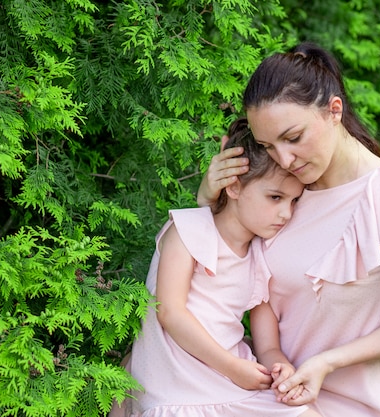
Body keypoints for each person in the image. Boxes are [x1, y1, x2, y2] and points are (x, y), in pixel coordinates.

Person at [197, 42, 380, 417]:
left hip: (340, 404)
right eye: (268, 145)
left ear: (334, 111)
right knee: (139, 384)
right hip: (271, 385)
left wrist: (327, 362)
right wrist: (207, 202)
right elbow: (214, 278)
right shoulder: (279, 192)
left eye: (293, 138)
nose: (284, 159)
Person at [110, 118, 321, 417]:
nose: (286, 213)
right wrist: (233, 368)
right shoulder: (189, 229)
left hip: (231, 383)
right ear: (233, 186)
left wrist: (280, 367)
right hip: (178, 386)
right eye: (275, 197)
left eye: (294, 201)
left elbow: (267, 344)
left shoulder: (261, 256)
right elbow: (169, 312)